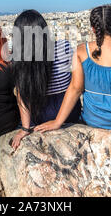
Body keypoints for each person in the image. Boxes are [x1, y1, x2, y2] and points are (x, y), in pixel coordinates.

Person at [35, 5, 111, 136]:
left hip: (95, 122)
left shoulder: (81, 52)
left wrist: (57, 122)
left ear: (93, 29)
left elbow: (75, 89)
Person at [11, 10, 81, 149]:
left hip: (41, 115)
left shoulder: (19, 58)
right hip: (69, 112)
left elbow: (22, 93)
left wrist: (25, 128)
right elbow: (76, 87)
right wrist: (58, 121)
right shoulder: (64, 47)